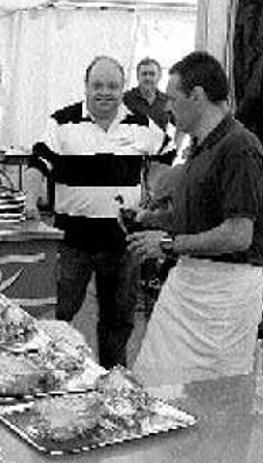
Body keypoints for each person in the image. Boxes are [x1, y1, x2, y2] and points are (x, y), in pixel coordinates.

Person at [126, 51, 263, 386]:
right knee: (155, 378)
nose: (167, 108)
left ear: (197, 96)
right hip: (190, 281)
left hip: (224, 294)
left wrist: (166, 244)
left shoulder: (240, 148)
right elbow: (198, 217)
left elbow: (238, 235)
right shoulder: (201, 147)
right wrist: (154, 219)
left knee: (213, 393)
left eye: (174, 99)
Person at [28, 55, 169, 369]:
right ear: (86, 87)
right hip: (71, 242)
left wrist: (153, 193)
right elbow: (38, 163)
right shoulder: (61, 122)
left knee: (117, 323)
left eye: (113, 86)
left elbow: (168, 153)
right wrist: (29, 200)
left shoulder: (142, 124)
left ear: (123, 89)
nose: (105, 92)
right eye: (98, 85)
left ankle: (113, 380)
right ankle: (44, 374)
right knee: (56, 315)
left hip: (122, 243)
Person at [123, 57, 172, 131]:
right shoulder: (125, 99)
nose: (148, 78)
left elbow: (179, 127)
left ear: (159, 76)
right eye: (144, 74)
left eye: (152, 74)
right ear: (137, 77)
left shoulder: (168, 101)